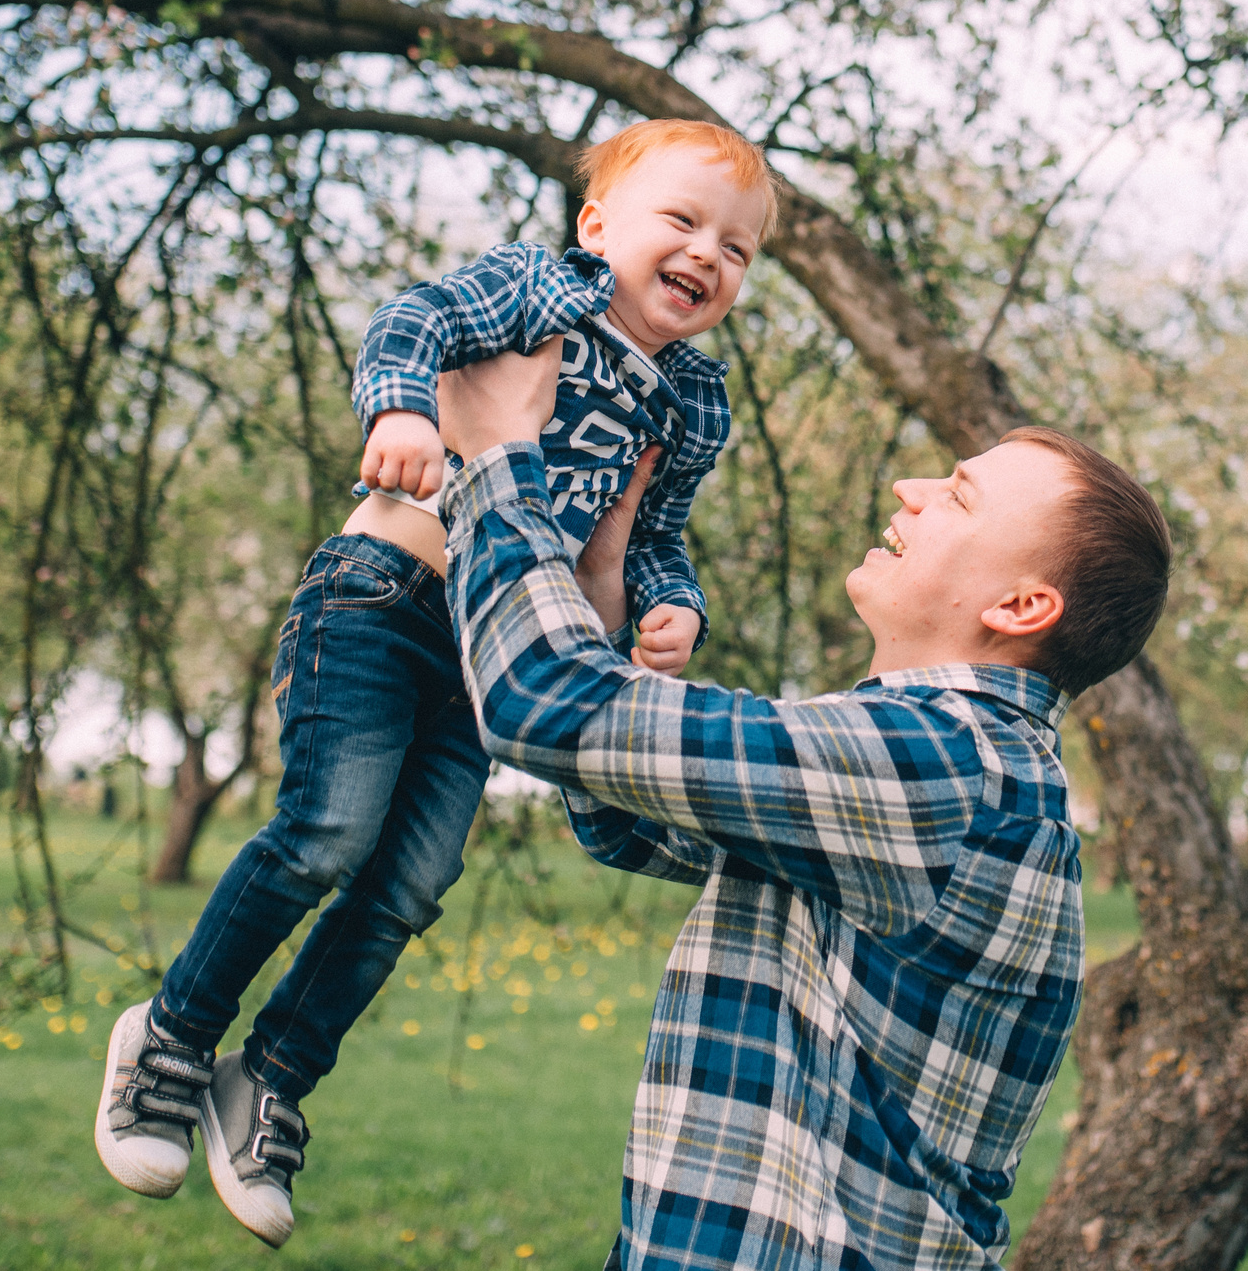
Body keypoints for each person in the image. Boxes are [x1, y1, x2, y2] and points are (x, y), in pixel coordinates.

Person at [93, 120, 779, 1248]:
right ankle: (170, 1035)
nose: (710, 253)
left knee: (411, 882)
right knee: (324, 832)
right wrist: (403, 409)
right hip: (380, 594)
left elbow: (657, 530)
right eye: (683, 221)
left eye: (739, 248)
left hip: (487, 655)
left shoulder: (689, 402)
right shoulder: (536, 289)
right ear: (597, 226)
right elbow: (412, 318)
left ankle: (266, 1076)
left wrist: (673, 604)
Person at [433, 339, 1172, 1270]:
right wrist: (603, 604)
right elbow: (632, 820)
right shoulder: (934, 754)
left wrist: (498, 454)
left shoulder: (945, 767)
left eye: (959, 495)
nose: (911, 488)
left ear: (1023, 606)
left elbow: (538, 702)